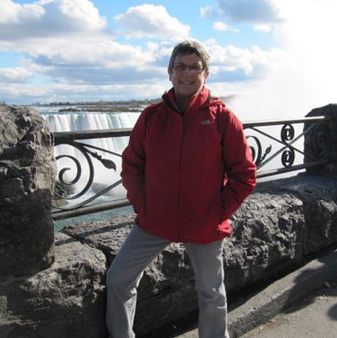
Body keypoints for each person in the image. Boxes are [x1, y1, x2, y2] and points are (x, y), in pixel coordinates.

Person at [106, 40, 257, 338]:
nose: (186, 73)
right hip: (155, 220)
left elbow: (244, 174)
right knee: (118, 278)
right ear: (169, 71)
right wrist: (143, 204)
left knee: (211, 292)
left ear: (206, 73)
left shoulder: (223, 118)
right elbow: (132, 164)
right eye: (180, 67)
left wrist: (216, 212)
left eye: (194, 67)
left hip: (203, 222)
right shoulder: (151, 116)